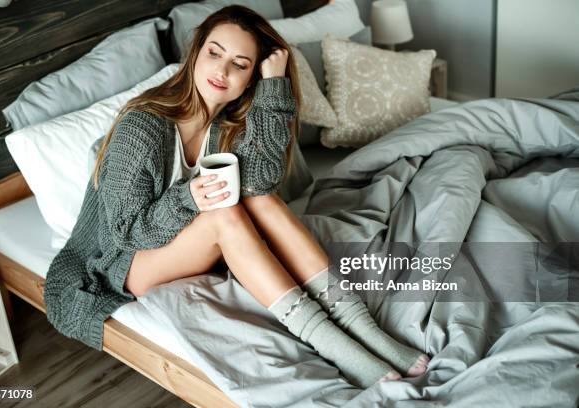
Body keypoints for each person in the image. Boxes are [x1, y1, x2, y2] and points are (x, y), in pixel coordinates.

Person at [44, 5, 429, 389]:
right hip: (120, 264)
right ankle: (333, 345)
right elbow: (128, 233)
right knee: (221, 214)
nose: (223, 71)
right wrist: (188, 199)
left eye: (240, 64)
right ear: (196, 53)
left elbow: (261, 182)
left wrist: (274, 83)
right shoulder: (143, 127)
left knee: (258, 199)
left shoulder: (229, 124)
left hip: (179, 243)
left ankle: (363, 330)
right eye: (214, 53)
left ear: (250, 79)